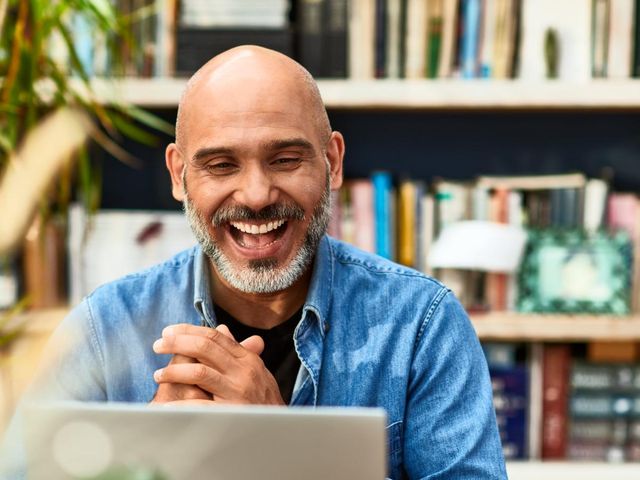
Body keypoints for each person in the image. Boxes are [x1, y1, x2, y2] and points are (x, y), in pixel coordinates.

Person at [0, 46, 507, 479]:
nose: (258, 195)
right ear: (179, 175)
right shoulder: (102, 328)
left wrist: (282, 449)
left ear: (331, 162)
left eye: (286, 159)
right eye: (221, 165)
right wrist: (146, 459)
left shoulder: (422, 325)